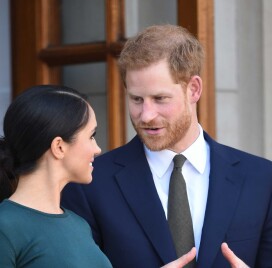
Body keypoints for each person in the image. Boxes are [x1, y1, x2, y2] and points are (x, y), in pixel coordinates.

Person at [62, 25, 272, 268]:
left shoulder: (261, 178)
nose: (146, 115)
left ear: (193, 89)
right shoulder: (90, 182)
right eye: (136, 99)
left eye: (160, 99)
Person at [0, 84, 204, 268]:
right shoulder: (6, 227)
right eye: (91, 136)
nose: (97, 149)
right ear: (59, 147)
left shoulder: (78, 225)